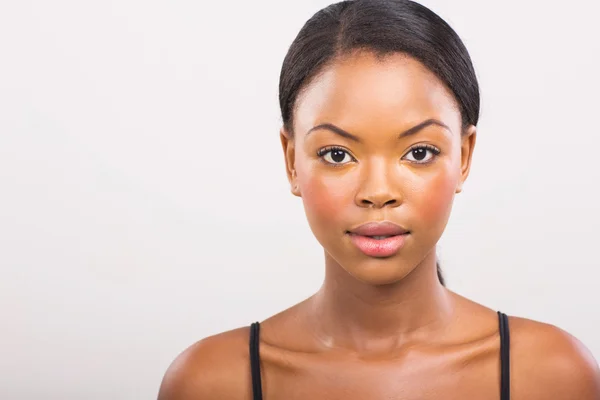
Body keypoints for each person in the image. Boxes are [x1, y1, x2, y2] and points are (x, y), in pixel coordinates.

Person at [157, 1, 600, 399]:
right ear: (292, 160)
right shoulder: (210, 382)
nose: (378, 193)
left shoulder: (550, 375)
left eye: (419, 153)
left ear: (463, 157)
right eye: (337, 155)